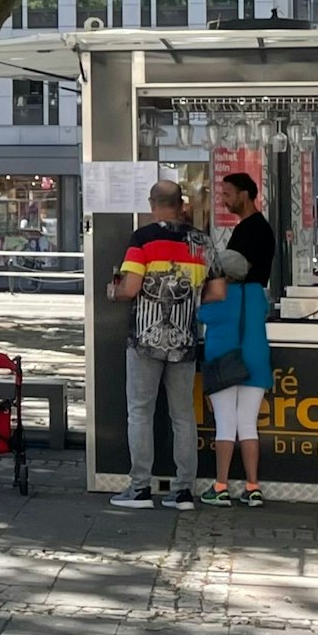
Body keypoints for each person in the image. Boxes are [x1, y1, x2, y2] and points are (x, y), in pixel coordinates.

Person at [108, 180, 214, 511]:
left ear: (153, 203)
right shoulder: (202, 242)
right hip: (184, 340)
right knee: (183, 415)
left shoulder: (143, 239)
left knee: (140, 411)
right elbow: (217, 292)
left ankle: (140, 488)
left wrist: (114, 291)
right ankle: (184, 492)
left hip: (145, 340)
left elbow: (130, 288)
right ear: (180, 204)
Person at [200, 172, 274, 508]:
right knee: (249, 425)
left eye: (228, 193)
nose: (224, 199)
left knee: (225, 424)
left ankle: (220, 486)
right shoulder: (259, 295)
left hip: (224, 359)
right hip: (256, 357)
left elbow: (202, 317)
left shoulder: (222, 295)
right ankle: (253, 486)